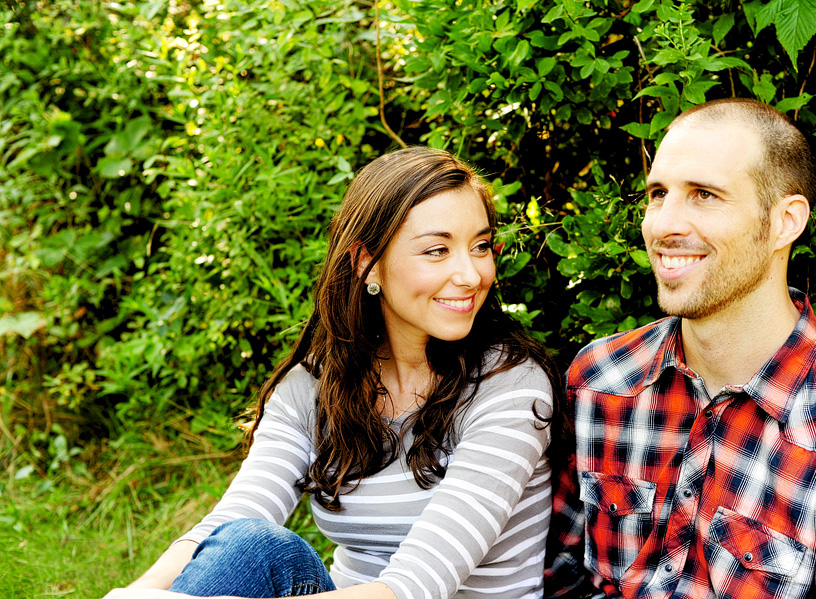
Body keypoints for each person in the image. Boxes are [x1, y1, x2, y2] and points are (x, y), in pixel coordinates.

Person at [103, 146, 561, 599]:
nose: (470, 273)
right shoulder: (317, 386)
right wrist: (136, 593)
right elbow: (237, 517)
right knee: (251, 545)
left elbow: (416, 585)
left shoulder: (511, 386)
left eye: (480, 246)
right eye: (437, 250)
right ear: (366, 262)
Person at [543, 98, 816, 599]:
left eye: (704, 195)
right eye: (658, 193)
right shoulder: (601, 381)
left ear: (785, 222)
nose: (664, 224)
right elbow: (557, 578)